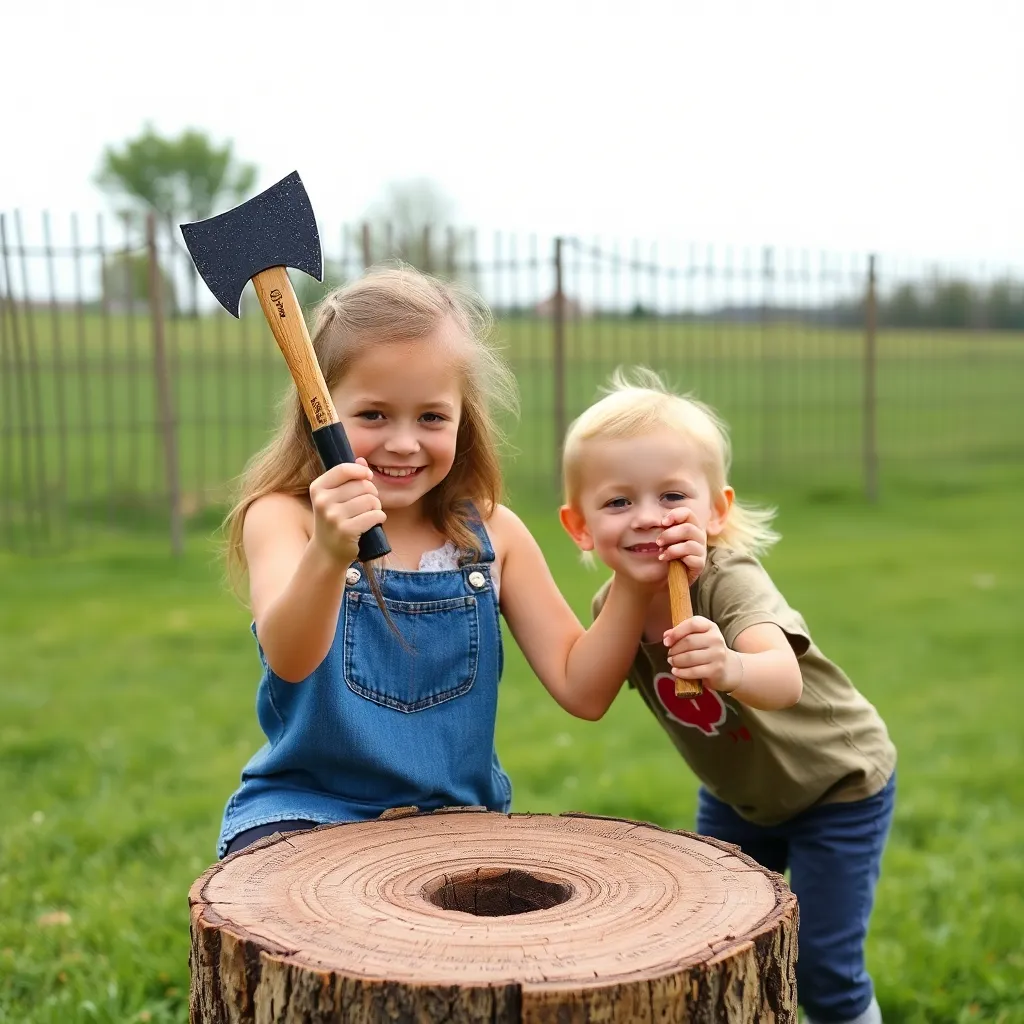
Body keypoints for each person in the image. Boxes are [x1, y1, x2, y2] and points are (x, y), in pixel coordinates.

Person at [217, 266, 636, 859]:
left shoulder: (491, 535)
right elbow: (288, 657)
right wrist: (329, 554)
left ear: (465, 421)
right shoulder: (287, 518)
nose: (404, 443)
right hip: (307, 812)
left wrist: (636, 584)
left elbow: (582, 688)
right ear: (321, 413)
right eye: (373, 415)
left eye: (432, 417)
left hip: (460, 821)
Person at [558, 368, 896, 1024]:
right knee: (718, 935)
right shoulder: (616, 606)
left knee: (823, 970)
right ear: (580, 526)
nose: (650, 517)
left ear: (716, 510)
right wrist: (628, 598)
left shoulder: (728, 582)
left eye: (673, 496)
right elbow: (589, 694)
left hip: (836, 786)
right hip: (739, 797)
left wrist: (731, 665)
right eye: (618, 502)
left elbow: (782, 678)